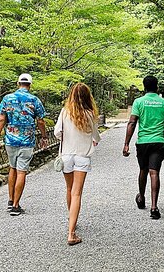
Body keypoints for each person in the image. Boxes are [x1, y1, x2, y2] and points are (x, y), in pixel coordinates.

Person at [0, 73, 48, 216]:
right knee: (21, 171)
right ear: (29, 85)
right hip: (27, 140)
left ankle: (11, 200)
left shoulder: (7, 98)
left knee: (12, 168)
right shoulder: (34, 100)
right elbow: (40, 121)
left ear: (18, 84)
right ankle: (16, 206)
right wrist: (44, 136)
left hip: (10, 139)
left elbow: (1, 119)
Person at [54, 82, 101, 246]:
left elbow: (57, 132)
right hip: (82, 156)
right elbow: (96, 136)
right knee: (77, 193)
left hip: (66, 155)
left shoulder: (65, 112)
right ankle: (71, 233)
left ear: (72, 95)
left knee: (69, 189)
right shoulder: (90, 114)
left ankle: (71, 220)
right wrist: (93, 140)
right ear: (88, 97)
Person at [123, 75, 164, 220]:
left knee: (143, 170)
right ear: (157, 87)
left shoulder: (138, 102)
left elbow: (132, 123)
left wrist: (126, 143)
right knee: (154, 172)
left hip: (143, 142)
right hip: (159, 142)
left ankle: (141, 197)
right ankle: (154, 207)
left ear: (144, 87)